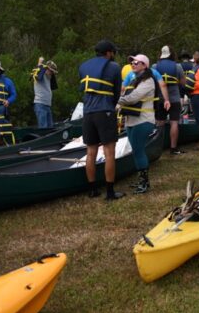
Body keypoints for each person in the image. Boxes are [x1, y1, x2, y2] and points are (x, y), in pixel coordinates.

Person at [79, 40, 124, 200]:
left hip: (88, 113)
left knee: (90, 153)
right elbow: (117, 92)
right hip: (104, 111)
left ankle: (92, 189)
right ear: (109, 53)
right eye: (113, 52)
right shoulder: (114, 67)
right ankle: (110, 192)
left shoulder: (83, 66)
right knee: (109, 152)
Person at [117, 54, 158, 194]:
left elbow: (133, 98)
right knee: (136, 150)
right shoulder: (135, 80)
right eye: (132, 62)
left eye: (136, 62)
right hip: (131, 120)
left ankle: (144, 183)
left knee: (139, 150)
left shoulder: (148, 81)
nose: (133, 64)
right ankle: (141, 180)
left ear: (144, 65)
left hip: (143, 120)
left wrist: (117, 102)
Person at [154, 46, 186, 154]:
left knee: (159, 123)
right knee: (174, 123)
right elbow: (183, 83)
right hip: (174, 98)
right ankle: (173, 148)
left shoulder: (155, 66)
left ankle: (157, 146)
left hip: (160, 98)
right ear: (171, 54)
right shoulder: (178, 66)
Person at [31, 57, 58, 128]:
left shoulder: (49, 78)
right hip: (40, 104)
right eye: (51, 71)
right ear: (46, 69)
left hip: (47, 105)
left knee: (50, 127)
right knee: (43, 128)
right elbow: (37, 72)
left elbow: (54, 86)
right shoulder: (40, 75)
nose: (52, 73)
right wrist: (40, 62)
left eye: (53, 72)